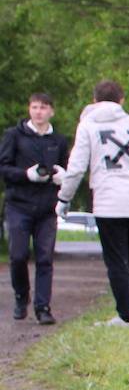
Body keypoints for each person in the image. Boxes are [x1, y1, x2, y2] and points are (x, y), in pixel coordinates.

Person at [55, 79, 129, 330]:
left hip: (108, 201)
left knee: (117, 260)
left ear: (94, 101)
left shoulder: (88, 127)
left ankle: (125, 317)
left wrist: (64, 198)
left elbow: (76, 168)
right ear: (122, 100)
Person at [0, 92, 71, 325]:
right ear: (29, 109)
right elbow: (4, 169)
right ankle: (22, 296)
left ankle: (43, 307)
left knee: (44, 258)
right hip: (18, 205)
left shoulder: (58, 141)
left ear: (51, 111)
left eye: (43, 107)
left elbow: (66, 169)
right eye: (34, 107)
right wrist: (25, 175)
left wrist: (63, 177)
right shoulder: (14, 136)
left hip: (46, 208)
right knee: (18, 255)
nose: (38, 112)